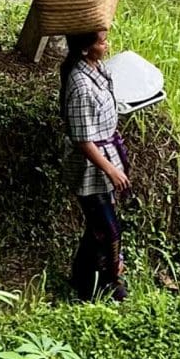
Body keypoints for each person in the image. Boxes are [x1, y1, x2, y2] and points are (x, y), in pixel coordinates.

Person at [60, 24, 128, 302]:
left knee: (96, 227)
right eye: (102, 42)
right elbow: (82, 139)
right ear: (86, 47)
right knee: (109, 230)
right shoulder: (80, 85)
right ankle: (109, 282)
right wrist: (110, 169)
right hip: (91, 169)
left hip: (104, 158)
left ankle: (83, 280)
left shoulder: (96, 69)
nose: (107, 45)